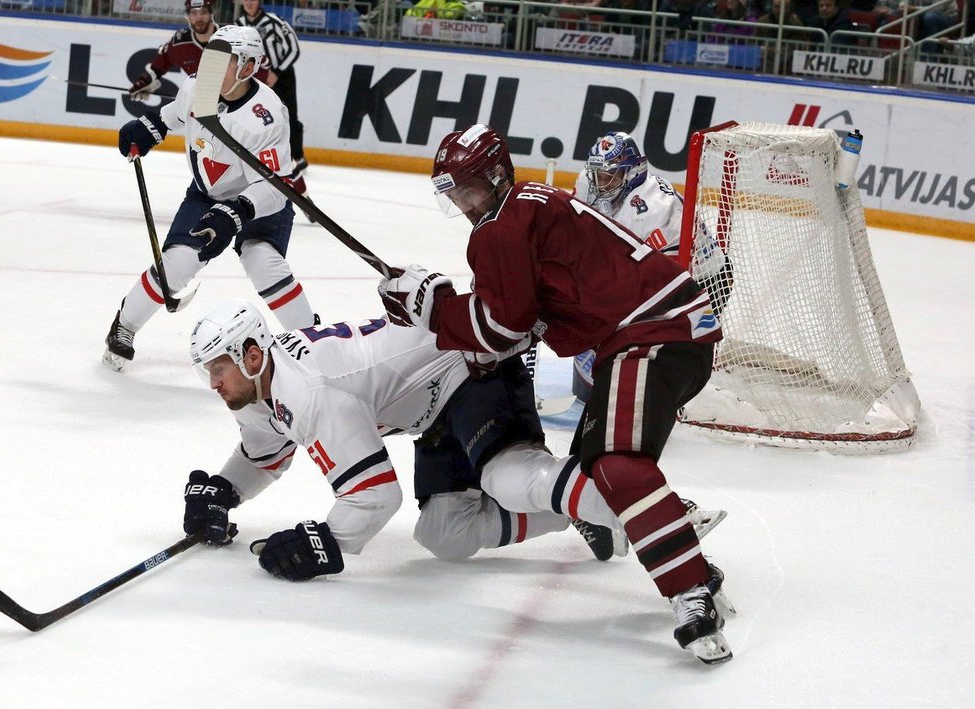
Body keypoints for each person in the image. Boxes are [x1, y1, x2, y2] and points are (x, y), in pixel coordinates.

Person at [376, 124, 734, 664]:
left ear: (496, 177)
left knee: (616, 464)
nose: (465, 205)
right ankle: (693, 565)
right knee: (596, 472)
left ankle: (692, 592)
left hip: (653, 331)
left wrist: (432, 304)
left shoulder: (501, 226)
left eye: (469, 191)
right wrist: (438, 305)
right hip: (660, 330)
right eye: (454, 195)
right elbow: (519, 320)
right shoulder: (526, 207)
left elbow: (499, 328)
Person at [183, 299, 635, 579]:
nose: (212, 383)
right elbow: (265, 449)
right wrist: (226, 491)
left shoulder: (311, 393)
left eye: (217, 369)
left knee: (509, 479)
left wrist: (326, 542)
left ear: (252, 355)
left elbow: (375, 495)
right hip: (434, 408)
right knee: (445, 536)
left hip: (475, 369)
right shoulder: (263, 384)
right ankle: (573, 510)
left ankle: (635, 504)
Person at [103, 26, 317, 371]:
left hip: (259, 200)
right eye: (210, 59)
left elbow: (276, 186)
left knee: (262, 261)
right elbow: (174, 114)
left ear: (248, 68)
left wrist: (239, 209)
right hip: (206, 195)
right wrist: (149, 127)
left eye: (223, 61)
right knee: (177, 265)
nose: (210, 68)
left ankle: (313, 342)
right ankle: (123, 326)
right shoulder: (197, 87)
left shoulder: (268, 114)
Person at [569, 131, 733, 402]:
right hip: (650, 267)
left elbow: (660, 283)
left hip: (703, 282)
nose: (601, 183)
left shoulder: (657, 210)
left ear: (634, 172)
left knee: (648, 340)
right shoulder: (589, 182)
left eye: (610, 176)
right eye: (597, 174)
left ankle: (657, 393)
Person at [237, 0, 312, 205]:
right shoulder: (240, 23)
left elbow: (294, 48)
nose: (249, 3)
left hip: (283, 77)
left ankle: (297, 156)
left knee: (290, 116)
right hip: (258, 78)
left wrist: (278, 72)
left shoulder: (274, 21)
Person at [129, 0, 219, 102]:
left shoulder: (230, 37)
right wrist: (145, 82)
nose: (199, 18)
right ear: (188, 16)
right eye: (194, 13)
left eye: (203, 12)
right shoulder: (179, 43)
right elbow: (158, 67)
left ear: (211, 14)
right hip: (201, 103)